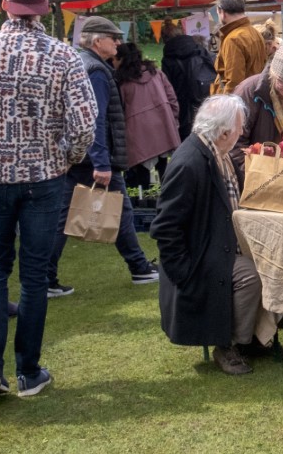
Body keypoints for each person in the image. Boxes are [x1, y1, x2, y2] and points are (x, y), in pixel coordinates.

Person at [0, 0, 97, 398]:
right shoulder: (62, 55)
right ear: (45, 9)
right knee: (34, 276)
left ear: (4, 5)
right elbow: (86, 125)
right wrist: (66, 159)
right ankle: (28, 371)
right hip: (43, 177)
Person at [152, 95, 268, 375]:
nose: (242, 133)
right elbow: (165, 227)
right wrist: (183, 271)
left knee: (271, 261)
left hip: (220, 247)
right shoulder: (190, 162)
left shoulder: (218, 154)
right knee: (252, 275)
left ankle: (255, 336)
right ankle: (229, 344)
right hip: (201, 257)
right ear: (225, 132)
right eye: (240, 128)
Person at [59, 17, 162, 289]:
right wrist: (102, 162)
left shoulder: (85, 64)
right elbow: (96, 120)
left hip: (83, 156)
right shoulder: (95, 70)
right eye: (112, 37)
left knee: (64, 216)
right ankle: (139, 267)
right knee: (119, 211)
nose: (118, 42)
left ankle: (44, 276)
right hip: (94, 158)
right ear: (96, 41)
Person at [115, 42, 181, 188]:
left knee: (140, 176)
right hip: (163, 127)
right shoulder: (156, 73)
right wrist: (173, 119)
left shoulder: (122, 82)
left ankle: (141, 201)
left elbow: (119, 109)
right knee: (165, 172)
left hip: (137, 133)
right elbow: (172, 98)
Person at [161, 22, 215, 140]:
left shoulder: (168, 59)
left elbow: (167, 89)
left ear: (165, 39)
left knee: (187, 142)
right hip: (208, 99)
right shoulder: (199, 48)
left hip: (183, 108)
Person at [211, 0, 267, 94]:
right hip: (251, 96)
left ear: (221, 12)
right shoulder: (255, 33)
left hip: (236, 102)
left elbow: (234, 82)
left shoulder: (233, 39)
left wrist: (225, 107)